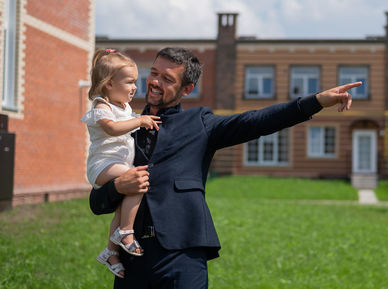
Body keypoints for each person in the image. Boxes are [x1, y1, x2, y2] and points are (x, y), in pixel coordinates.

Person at [89, 47, 361, 288]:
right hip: (131, 257)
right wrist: (118, 187)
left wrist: (315, 102)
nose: (155, 82)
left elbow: (257, 121)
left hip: (183, 253)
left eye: (167, 79)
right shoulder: (125, 128)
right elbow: (97, 202)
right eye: (154, 73)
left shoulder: (201, 123)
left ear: (187, 90)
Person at [82, 49, 161, 278]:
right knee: (137, 179)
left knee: (123, 203)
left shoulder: (124, 108)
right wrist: (140, 120)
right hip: (103, 165)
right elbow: (112, 128)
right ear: (108, 84)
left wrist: (138, 119)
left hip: (115, 164)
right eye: (130, 82)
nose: (135, 87)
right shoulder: (101, 106)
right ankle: (126, 232)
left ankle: (111, 252)